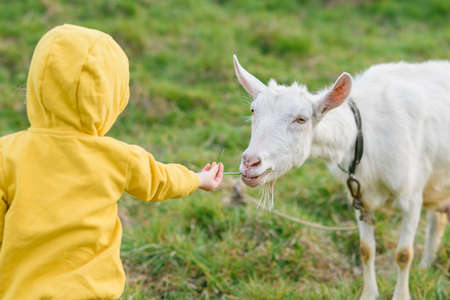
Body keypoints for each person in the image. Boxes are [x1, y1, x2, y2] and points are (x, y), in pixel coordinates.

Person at [0, 24, 224, 299]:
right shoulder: (118, 157)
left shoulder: (7, 153)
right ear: (112, 98)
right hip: (92, 292)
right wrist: (198, 179)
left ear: (37, 84)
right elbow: (161, 181)